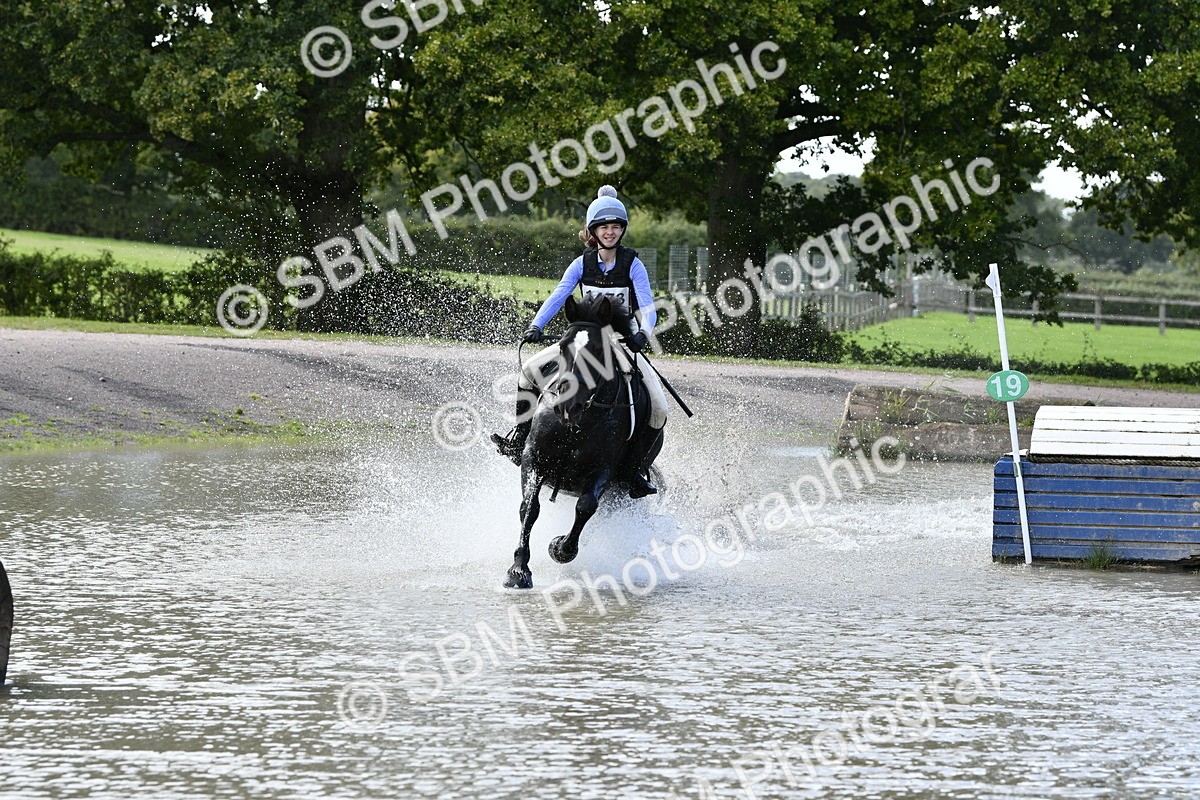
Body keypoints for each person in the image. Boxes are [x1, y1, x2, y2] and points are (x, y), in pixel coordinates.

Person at [492, 186, 668, 497]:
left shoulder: (633, 264)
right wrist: (536, 325)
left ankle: (634, 471)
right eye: (604, 227)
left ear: (622, 230)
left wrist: (643, 332)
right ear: (594, 231)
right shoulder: (580, 264)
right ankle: (520, 437)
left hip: (620, 343)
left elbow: (648, 306)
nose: (610, 232)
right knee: (529, 371)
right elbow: (558, 295)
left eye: (615, 227)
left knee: (658, 409)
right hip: (583, 339)